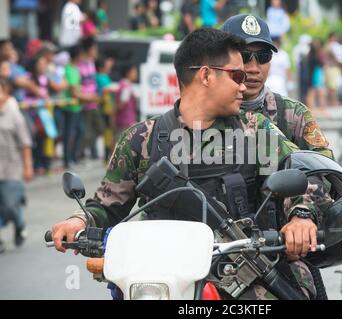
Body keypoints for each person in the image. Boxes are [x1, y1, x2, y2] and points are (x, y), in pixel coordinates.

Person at [50, 28, 324, 300]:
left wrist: (301, 216)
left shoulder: (255, 131)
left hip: (241, 276)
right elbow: (106, 206)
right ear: (206, 75)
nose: (244, 85)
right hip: (160, 278)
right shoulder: (142, 138)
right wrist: (79, 221)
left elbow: (303, 172)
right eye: (236, 75)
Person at [222, 14, 333, 159]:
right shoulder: (203, 112)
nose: (254, 68)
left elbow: (328, 170)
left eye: (263, 56)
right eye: (244, 56)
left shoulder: (293, 114)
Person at [0, 78, 33, 253]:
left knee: (11, 205)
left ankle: (19, 224)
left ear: (6, 94)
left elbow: (25, 144)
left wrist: (28, 167)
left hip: (11, 169)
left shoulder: (14, 115)